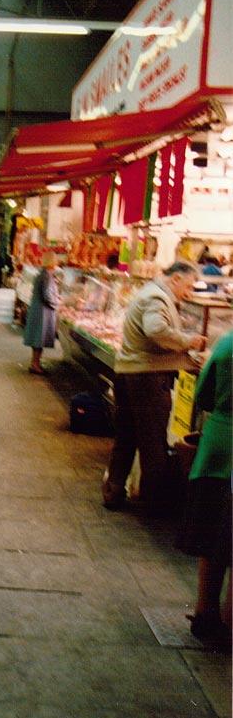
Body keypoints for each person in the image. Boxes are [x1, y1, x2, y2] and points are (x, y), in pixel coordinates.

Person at [102, 261, 206, 513]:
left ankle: (113, 492)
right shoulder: (157, 297)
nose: (189, 291)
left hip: (130, 373)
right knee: (152, 441)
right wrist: (188, 341)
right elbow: (155, 330)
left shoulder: (151, 292)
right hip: (146, 377)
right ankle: (154, 501)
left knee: (126, 437)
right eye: (188, 285)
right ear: (176, 279)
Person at [177, 330, 232, 651]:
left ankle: (204, 614)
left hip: (217, 451)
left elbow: (204, 396)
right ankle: (228, 622)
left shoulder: (226, 343)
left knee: (211, 539)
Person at [23, 250, 59, 375]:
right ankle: (35, 364)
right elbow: (47, 295)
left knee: (37, 340)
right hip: (42, 312)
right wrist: (57, 303)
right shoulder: (47, 275)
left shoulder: (42, 274)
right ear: (52, 261)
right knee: (39, 339)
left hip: (38, 310)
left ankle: (35, 362)